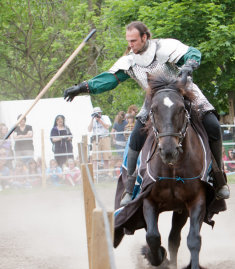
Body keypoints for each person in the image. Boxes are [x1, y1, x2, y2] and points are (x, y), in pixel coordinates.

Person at [64, 21, 229, 203]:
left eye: (134, 40)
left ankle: (219, 176)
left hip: (184, 91)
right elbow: (108, 80)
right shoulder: (130, 62)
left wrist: (189, 65)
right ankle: (130, 186)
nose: (130, 45)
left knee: (213, 124)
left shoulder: (164, 47)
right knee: (135, 137)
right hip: (155, 100)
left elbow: (192, 53)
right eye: (128, 41)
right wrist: (81, 87)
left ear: (145, 37)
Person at [87, 106, 112, 176]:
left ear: (100, 113)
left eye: (98, 113)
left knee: (106, 156)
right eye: (96, 113)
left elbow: (107, 126)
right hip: (96, 139)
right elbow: (89, 129)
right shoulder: (93, 120)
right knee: (95, 157)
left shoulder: (105, 117)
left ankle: (107, 173)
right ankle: (95, 174)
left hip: (105, 137)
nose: (97, 115)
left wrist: (100, 120)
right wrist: (92, 119)